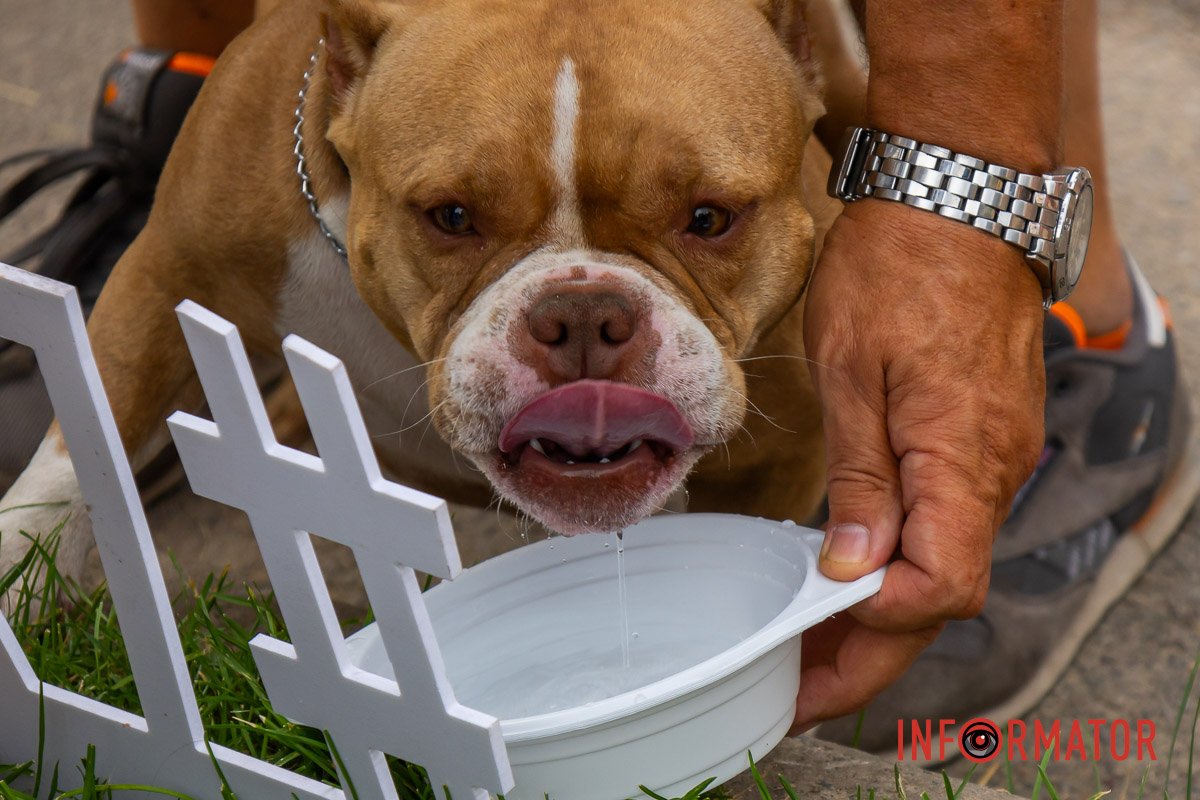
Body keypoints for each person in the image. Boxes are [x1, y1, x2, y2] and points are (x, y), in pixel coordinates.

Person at [0, 0, 1191, 751]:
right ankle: (177, 129)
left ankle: (1079, 323)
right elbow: (174, 280)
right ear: (345, 82)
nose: (579, 328)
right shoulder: (298, 104)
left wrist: (954, 217)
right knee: (197, 234)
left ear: (803, 59)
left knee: (922, 209)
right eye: (459, 215)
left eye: (707, 218)